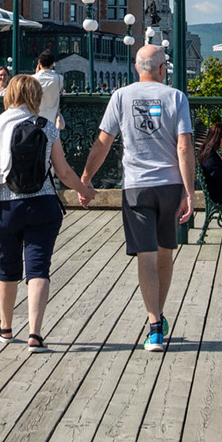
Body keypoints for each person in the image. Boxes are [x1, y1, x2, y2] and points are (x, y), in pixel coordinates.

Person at [81, 44, 194, 353]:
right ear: (161, 70)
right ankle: (158, 315)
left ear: (136, 69)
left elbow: (103, 142)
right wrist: (189, 190)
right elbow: (184, 147)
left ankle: (154, 325)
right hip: (169, 185)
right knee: (164, 251)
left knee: (145, 255)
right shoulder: (176, 98)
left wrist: (86, 177)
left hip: (136, 187)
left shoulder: (120, 97)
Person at [0, 74, 94, 349]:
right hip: (43, 205)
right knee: (39, 267)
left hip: (6, 206)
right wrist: (84, 190)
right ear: (36, 96)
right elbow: (62, 172)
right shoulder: (47, 126)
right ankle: (35, 334)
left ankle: (5, 327)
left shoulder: (0, 124)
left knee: (8, 266)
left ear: (10, 94)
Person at [33, 49, 65, 136]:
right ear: (52, 63)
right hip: (52, 120)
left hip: (36, 119)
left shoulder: (33, 79)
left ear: (39, 63)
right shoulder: (59, 78)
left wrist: (36, 74)